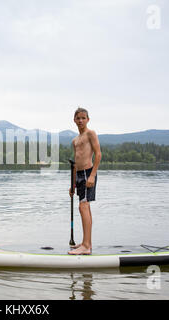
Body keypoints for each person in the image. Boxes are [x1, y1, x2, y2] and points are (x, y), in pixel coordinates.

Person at [68, 107, 101, 255]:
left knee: (83, 207)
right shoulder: (75, 140)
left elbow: (99, 154)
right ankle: (86, 242)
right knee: (84, 208)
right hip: (79, 175)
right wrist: (72, 185)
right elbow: (75, 163)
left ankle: (86, 246)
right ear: (74, 120)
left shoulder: (90, 134)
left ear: (88, 119)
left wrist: (93, 175)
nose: (80, 120)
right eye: (78, 118)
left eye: (83, 118)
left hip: (88, 173)